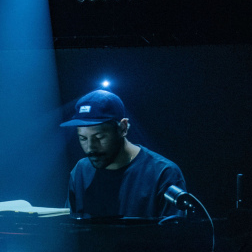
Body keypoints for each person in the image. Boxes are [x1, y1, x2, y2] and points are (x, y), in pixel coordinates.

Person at [60, 89, 186, 218]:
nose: (90, 147)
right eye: (83, 138)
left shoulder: (163, 173)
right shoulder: (81, 171)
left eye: (99, 137)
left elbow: (174, 236)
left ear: (123, 128)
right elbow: (70, 231)